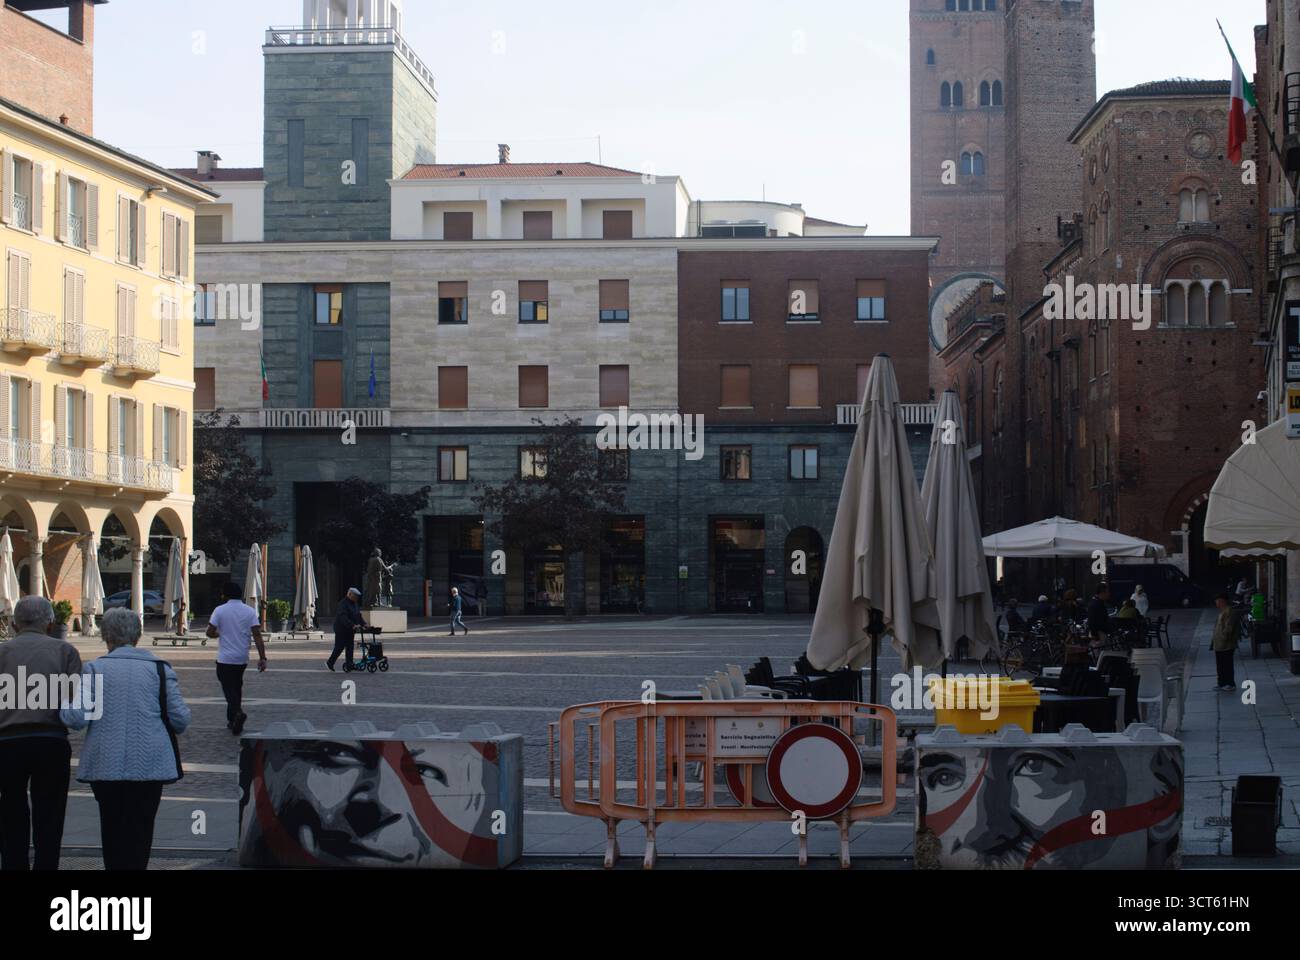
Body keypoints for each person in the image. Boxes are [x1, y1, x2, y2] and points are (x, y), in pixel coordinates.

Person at [60, 608, 190, 870]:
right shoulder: (160, 669)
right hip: (150, 764)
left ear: (105, 635)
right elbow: (180, 719)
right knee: (141, 828)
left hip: (106, 764)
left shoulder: (95, 669)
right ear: (138, 635)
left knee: (112, 827)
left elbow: (76, 719)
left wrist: (64, 700)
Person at [0, 596, 81, 870]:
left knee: (10, 812)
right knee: (50, 814)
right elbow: (75, 704)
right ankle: (46, 866)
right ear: (50, 623)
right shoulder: (65, 652)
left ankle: (14, 866)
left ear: (14, 624)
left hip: (7, 744)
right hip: (51, 741)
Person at [206, 581, 267, 735]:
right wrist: (262, 657)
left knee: (228, 689)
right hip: (242, 658)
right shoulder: (250, 611)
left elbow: (209, 632)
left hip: (225, 658)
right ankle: (232, 719)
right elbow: (257, 635)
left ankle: (238, 713)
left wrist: (218, 634)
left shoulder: (219, 610)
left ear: (225, 594)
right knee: (236, 687)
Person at [329, 587, 365, 670]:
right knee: (339, 647)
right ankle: (330, 662)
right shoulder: (343, 604)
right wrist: (353, 625)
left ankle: (349, 664)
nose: (356, 598)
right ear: (349, 594)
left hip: (350, 630)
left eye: (357, 597)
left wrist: (364, 624)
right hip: (341, 629)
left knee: (350, 647)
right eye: (355, 596)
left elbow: (358, 615)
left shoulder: (354, 603)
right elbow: (343, 617)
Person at [1212, 593, 1242, 691]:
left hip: (1226, 644)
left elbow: (1229, 628)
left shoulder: (1230, 612)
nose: (1216, 603)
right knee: (1220, 665)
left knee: (1227, 664)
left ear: (1222, 601)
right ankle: (1221, 683)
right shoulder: (1222, 612)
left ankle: (1230, 683)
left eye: (1217, 601)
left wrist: (1224, 638)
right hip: (1219, 644)